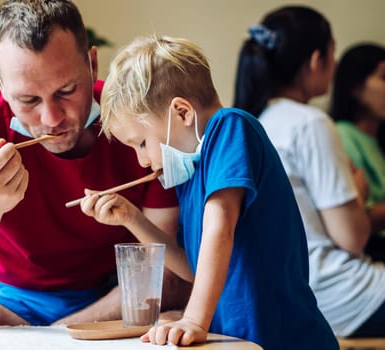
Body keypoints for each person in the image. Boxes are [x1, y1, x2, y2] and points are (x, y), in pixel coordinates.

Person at [0, 0, 192, 331]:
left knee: (172, 322)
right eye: (28, 100)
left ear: (91, 64)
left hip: (110, 294)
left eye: (66, 90)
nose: (52, 119)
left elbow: (168, 274)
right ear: (1, 84)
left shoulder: (136, 128)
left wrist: (53, 336)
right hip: (6, 300)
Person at [78, 34, 338, 349]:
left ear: (182, 113)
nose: (142, 160)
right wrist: (131, 218)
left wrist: (194, 319)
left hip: (283, 338)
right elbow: (192, 267)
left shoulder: (229, 128)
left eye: (142, 143)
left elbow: (220, 228)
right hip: (237, 339)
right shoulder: (192, 172)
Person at [234, 5, 385, 338]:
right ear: (317, 60)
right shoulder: (310, 123)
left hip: (289, 291)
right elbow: (352, 237)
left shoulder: (251, 123)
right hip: (340, 295)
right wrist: (357, 192)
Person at [330, 43, 385, 262]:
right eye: (383, 78)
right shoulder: (343, 136)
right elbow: (360, 221)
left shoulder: (378, 138)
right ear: (355, 87)